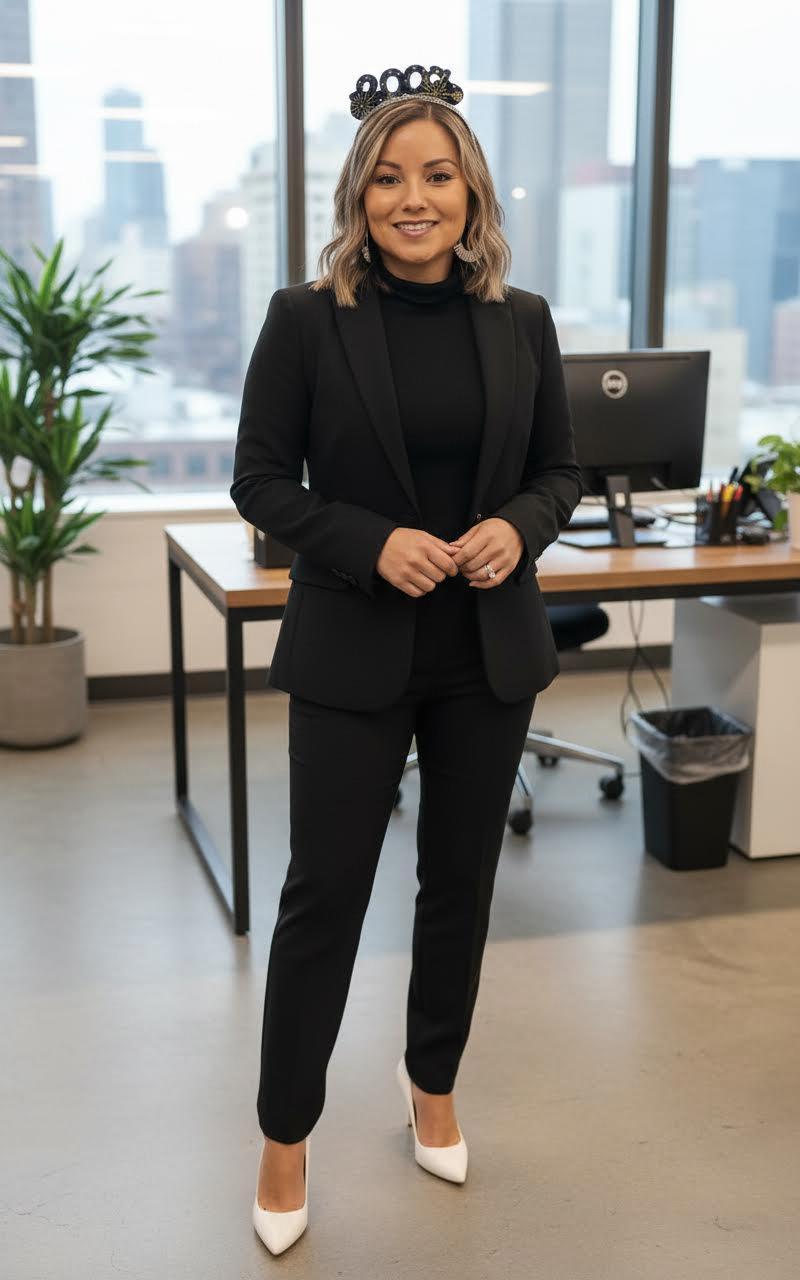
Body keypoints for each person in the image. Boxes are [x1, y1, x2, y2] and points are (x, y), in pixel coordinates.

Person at [230, 63, 584, 1256]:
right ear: (358, 192)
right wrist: (373, 542)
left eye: (436, 175)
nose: (412, 197)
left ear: (471, 192)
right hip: (350, 646)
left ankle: (430, 1079)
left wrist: (517, 526)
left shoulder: (519, 318)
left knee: (459, 887)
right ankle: (285, 1131)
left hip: (485, 651)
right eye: (389, 177)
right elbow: (261, 483)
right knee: (322, 897)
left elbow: (559, 470)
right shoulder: (304, 317)